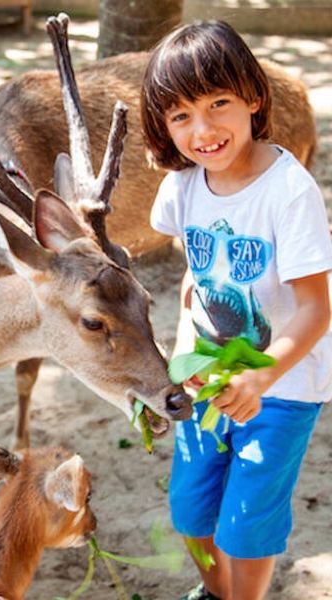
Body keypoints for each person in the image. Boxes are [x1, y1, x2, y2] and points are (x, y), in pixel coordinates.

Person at [141, 20, 332, 600]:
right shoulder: (183, 187)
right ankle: (217, 592)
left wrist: (261, 376)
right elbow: (194, 284)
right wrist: (180, 350)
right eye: (180, 116)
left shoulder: (289, 193)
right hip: (207, 378)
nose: (203, 130)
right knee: (191, 512)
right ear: (163, 127)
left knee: (247, 521)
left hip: (283, 385)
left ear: (253, 97)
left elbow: (317, 308)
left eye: (218, 103)